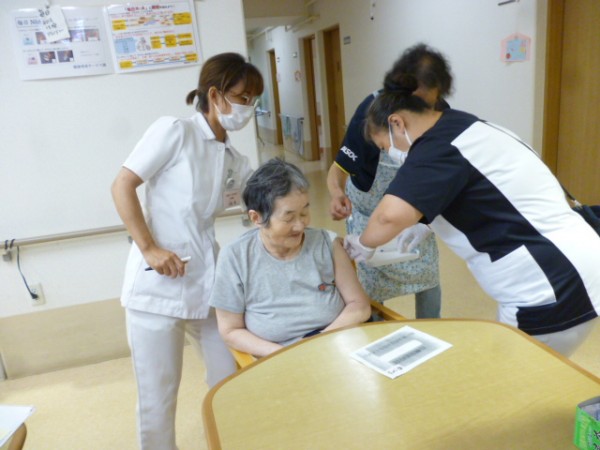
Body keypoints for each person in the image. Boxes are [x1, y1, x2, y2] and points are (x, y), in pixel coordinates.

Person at [343, 70, 600, 357]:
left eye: (384, 146)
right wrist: (425, 224)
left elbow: (387, 217)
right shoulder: (466, 126)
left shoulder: (435, 147)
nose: (390, 153)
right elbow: (476, 190)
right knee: (527, 367)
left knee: (512, 376)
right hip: (577, 259)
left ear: (397, 122)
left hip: (547, 282)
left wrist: (364, 243)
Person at [111, 52, 263, 450]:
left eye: (254, 100)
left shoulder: (233, 158)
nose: (249, 107)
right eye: (243, 97)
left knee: (230, 374)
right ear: (214, 95)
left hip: (206, 280)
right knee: (158, 395)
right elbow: (122, 185)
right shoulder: (175, 131)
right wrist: (149, 248)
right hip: (157, 283)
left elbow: (262, 199)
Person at [327, 43, 452, 318]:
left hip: (416, 214)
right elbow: (338, 169)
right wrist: (336, 193)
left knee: (428, 277)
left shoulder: (440, 115)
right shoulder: (371, 114)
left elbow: (444, 182)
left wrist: (427, 223)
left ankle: (430, 329)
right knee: (371, 287)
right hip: (369, 212)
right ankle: (375, 331)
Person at [209, 158, 372, 357]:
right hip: (276, 358)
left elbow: (359, 306)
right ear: (256, 218)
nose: (300, 225)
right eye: (288, 217)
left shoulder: (326, 243)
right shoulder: (235, 257)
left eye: (304, 213)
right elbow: (230, 330)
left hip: (336, 344)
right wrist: (286, 355)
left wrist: (319, 342)